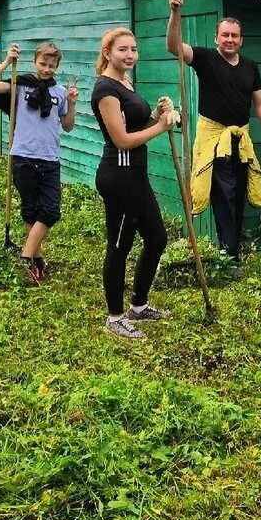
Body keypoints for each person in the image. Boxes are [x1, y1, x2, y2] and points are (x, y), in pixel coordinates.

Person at [166, 0, 261, 276]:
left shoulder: (250, 67)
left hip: (239, 140)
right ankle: (230, 258)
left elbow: (260, 103)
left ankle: (230, 252)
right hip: (214, 140)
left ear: (240, 40)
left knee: (237, 194)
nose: (230, 40)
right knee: (224, 194)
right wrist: (174, 13)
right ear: (216, 38)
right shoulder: (206, 59)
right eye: (225, 35)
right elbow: (173, 47)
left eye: (234, 36)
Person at [92, 27, 181, 340]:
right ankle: (115, 317)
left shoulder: (125, 83)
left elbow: (135, 124)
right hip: (119, 176)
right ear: (107, 53)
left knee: (157, 239)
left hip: (136, 176)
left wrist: (156, 113)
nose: (129, 55)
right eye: (122, 50)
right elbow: (122, 140)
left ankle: (138, 308)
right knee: (119, 247)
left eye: (133, 49)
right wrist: (161, 126)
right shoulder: (105, 90)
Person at [0, 41, 78, 285]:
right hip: (23, 156)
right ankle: (37, 259)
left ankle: (25, 256)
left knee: (51, 210)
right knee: (30, 210)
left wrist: (73, 103)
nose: (46, 69)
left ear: (57, 66)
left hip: (50, 158)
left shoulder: (60, 93)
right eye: (42, 64)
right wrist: (7, 62)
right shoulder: (20, 86)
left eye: (51, 65)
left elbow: (67, 125)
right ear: (34, 62)